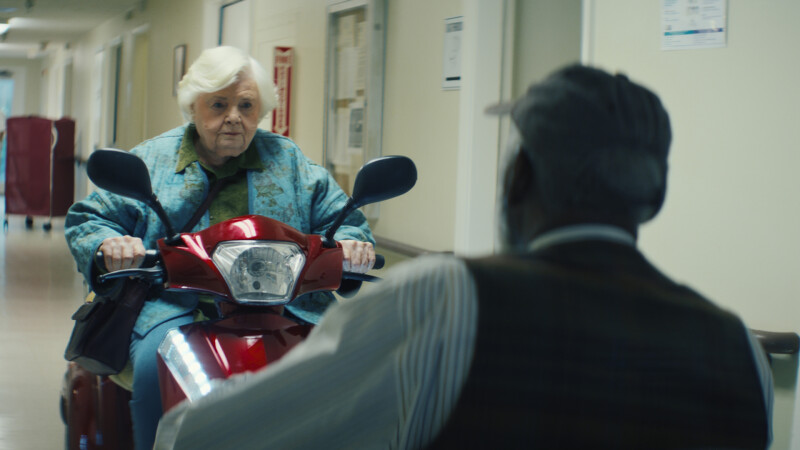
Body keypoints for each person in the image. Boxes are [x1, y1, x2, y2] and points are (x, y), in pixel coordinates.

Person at [154, 65, 773, 449]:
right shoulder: (738, 350)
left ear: (518, 180)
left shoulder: (445, 301)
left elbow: (215, 436)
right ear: (655, 195)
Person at [65, 46, 376, 450]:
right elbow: (89, 218)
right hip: (177, 306)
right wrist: (111, 244)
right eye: (218, 104)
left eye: (246, 105)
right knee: (155, 367)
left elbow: (342, 217)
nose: (233, 117)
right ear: (193, 107)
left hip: (287, 307)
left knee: (351, 365)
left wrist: (353, 244)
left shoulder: (289, 161)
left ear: (261, 110)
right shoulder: (153, 160)